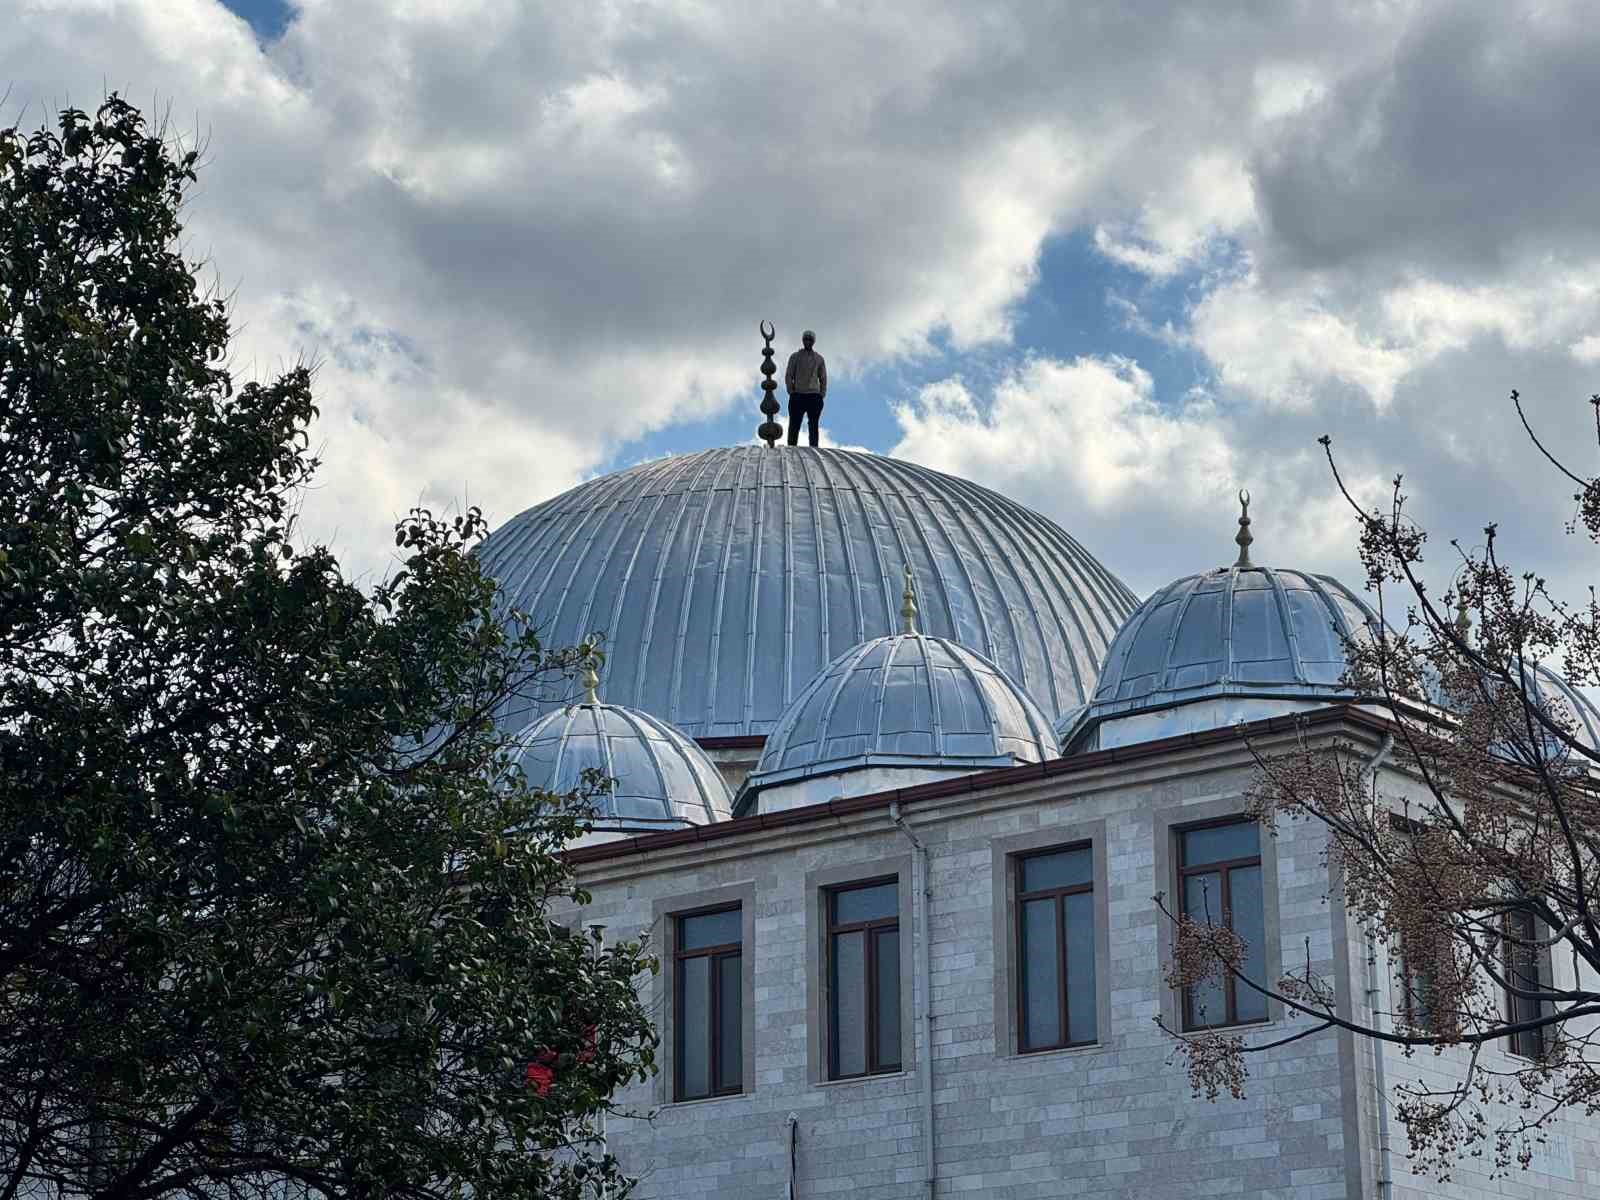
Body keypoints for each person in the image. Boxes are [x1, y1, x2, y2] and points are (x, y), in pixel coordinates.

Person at [784, 330, 827, 446]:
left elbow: (823, 378)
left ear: (813, 342)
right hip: (798, 394)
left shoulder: (819, 359)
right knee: (794, 424)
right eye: (806, 339)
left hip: (814, 396)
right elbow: (789, 374)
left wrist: (821, 394)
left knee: (813, 424)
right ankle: (791, 448)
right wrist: (791, 391)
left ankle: (814, 448)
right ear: (803, 341)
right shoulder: (795, 357)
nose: (808, 341)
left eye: (810, 339)